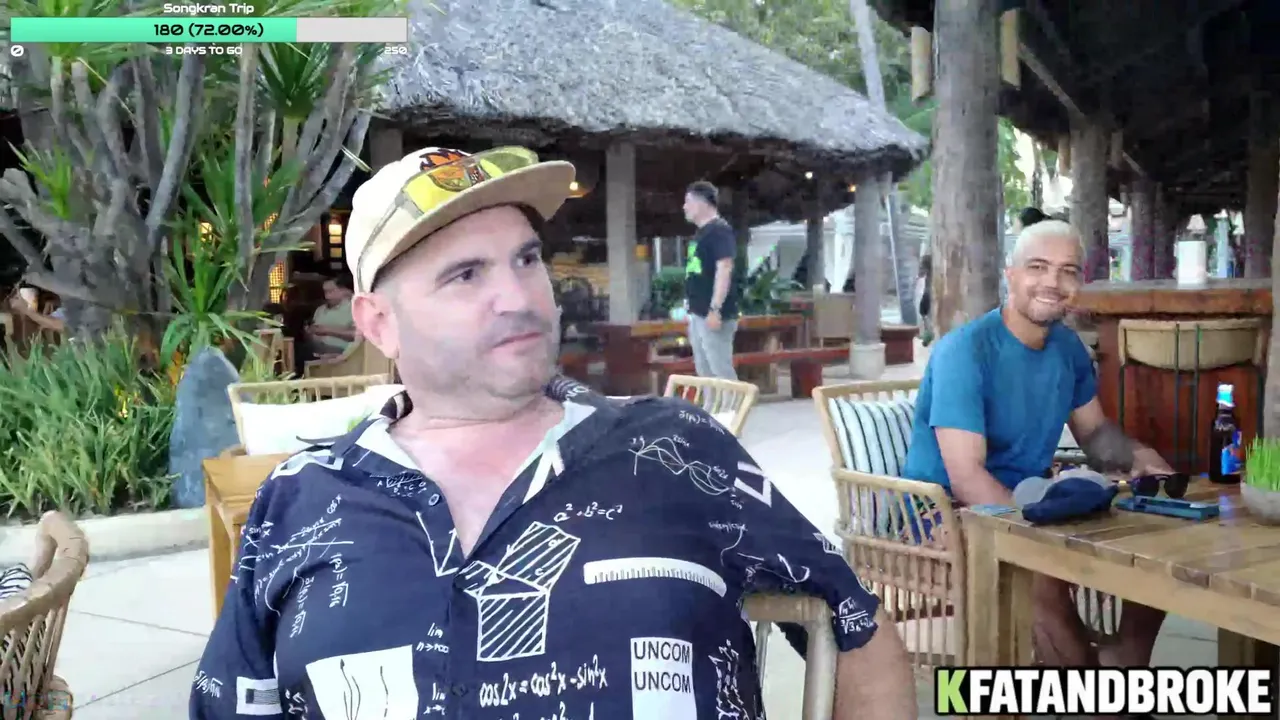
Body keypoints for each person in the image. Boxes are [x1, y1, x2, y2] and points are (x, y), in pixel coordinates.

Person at [190, 146, 917, 719]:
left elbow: (856, 625)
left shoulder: (674, 448)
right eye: (466, 275)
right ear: (379, 323)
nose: (518, 296)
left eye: (527, 259)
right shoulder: (301, 497)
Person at [902, 219, 1172, 671]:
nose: (1053, 282)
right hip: (941, 512)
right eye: (1038, 267)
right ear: (1010, 275)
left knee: (1157, 541)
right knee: (1041, 571)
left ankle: (1124, 661)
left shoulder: (1067, 349)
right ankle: (1090, 691)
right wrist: (1034, 534)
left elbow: (1095, 433)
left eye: (1068, 271)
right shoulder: (965, 352)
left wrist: (1139, 457)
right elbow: (967, 477)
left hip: (1032, 500)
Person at [682, 180, 745, 380]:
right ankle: (712, 403)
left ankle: (735, 402)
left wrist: (715, 308)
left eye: (688, 201)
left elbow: (724, 267)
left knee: (720, 369)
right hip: (697, 311)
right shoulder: (701, 233)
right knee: (705, 371)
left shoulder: (719, 230)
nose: (684, 207)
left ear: (702, 203)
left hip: (713, 312)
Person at [305, 275, 356, 359]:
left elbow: (357, 334)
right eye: (325, 292)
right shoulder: (320, 310)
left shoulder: (353, 309)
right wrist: (309, 332)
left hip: (341, 353)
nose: (327, 296)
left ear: (343, 290)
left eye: (331, 291)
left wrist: (327, 330)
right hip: (316, 351)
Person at [915, 254, 933, 346]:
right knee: (924, 313)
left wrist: (918, 275)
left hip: (928, 293)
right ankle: (928, 333)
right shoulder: (930, 272)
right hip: (929, 293)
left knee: (923, 311)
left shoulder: (928, 272)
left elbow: (920, 274)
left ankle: (928, 333)